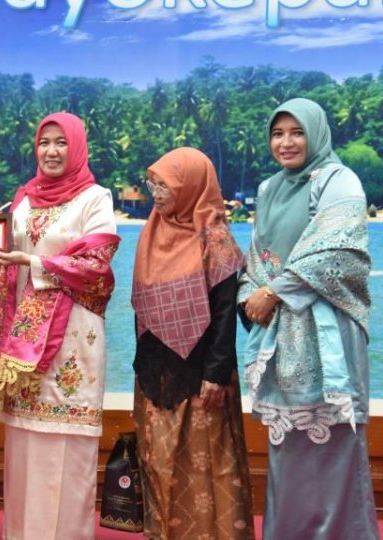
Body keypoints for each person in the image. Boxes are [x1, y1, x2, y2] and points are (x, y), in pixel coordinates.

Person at [239, 98, 378, 539]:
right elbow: (258, 256)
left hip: (328, 333)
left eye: (297, 132)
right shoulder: (268, 189)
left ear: (315, 134)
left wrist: (273, 292)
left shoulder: (338, 180)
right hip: (282, 337)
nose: (286, 142)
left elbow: (337, 252)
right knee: (288, 449)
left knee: (335, 445)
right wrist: (251, 294)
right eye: (277, 133)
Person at [0, 112, 120, 540]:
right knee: (24, 448)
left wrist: (33, 262)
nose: (52, 151)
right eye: (44, 142)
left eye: (61, 143)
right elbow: (6, 254)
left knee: (67, 449)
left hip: (73, 340)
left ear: (76, 147)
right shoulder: (24, 198)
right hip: (23, 344)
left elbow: (97, 265)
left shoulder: (95, 198)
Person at [131, 147, 254, 539]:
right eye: (152, 184)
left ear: (191, 187)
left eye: (164, 185)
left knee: (205, 470)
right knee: (158, 464)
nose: (155, 193)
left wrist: (216, 374)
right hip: (155, 376)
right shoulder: (152, 232)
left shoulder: (215, 237)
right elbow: (142, 311)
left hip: (202, 381)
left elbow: (225, 312)